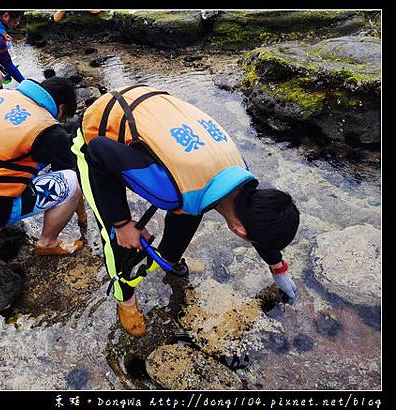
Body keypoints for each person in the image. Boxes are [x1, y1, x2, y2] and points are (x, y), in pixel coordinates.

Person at [71, 84, 300, 337]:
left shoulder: (239, 173)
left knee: (192, 207)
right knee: (121, 241)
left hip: (148, 103)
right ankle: (124, 298)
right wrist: (121, 223)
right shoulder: (169, 189)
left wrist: (278, 267)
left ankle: (168, 261)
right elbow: (99, 151)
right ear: (239, 230)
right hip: (97, 137)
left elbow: (256, 220)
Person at [0, 76, 87, 256]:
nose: (61, 122)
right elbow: (70, 178)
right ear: (61, 109)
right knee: (72, 182)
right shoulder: (50, 131)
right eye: (63, 118)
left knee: (2, 160)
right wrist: (82, 216)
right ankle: (48, 243)